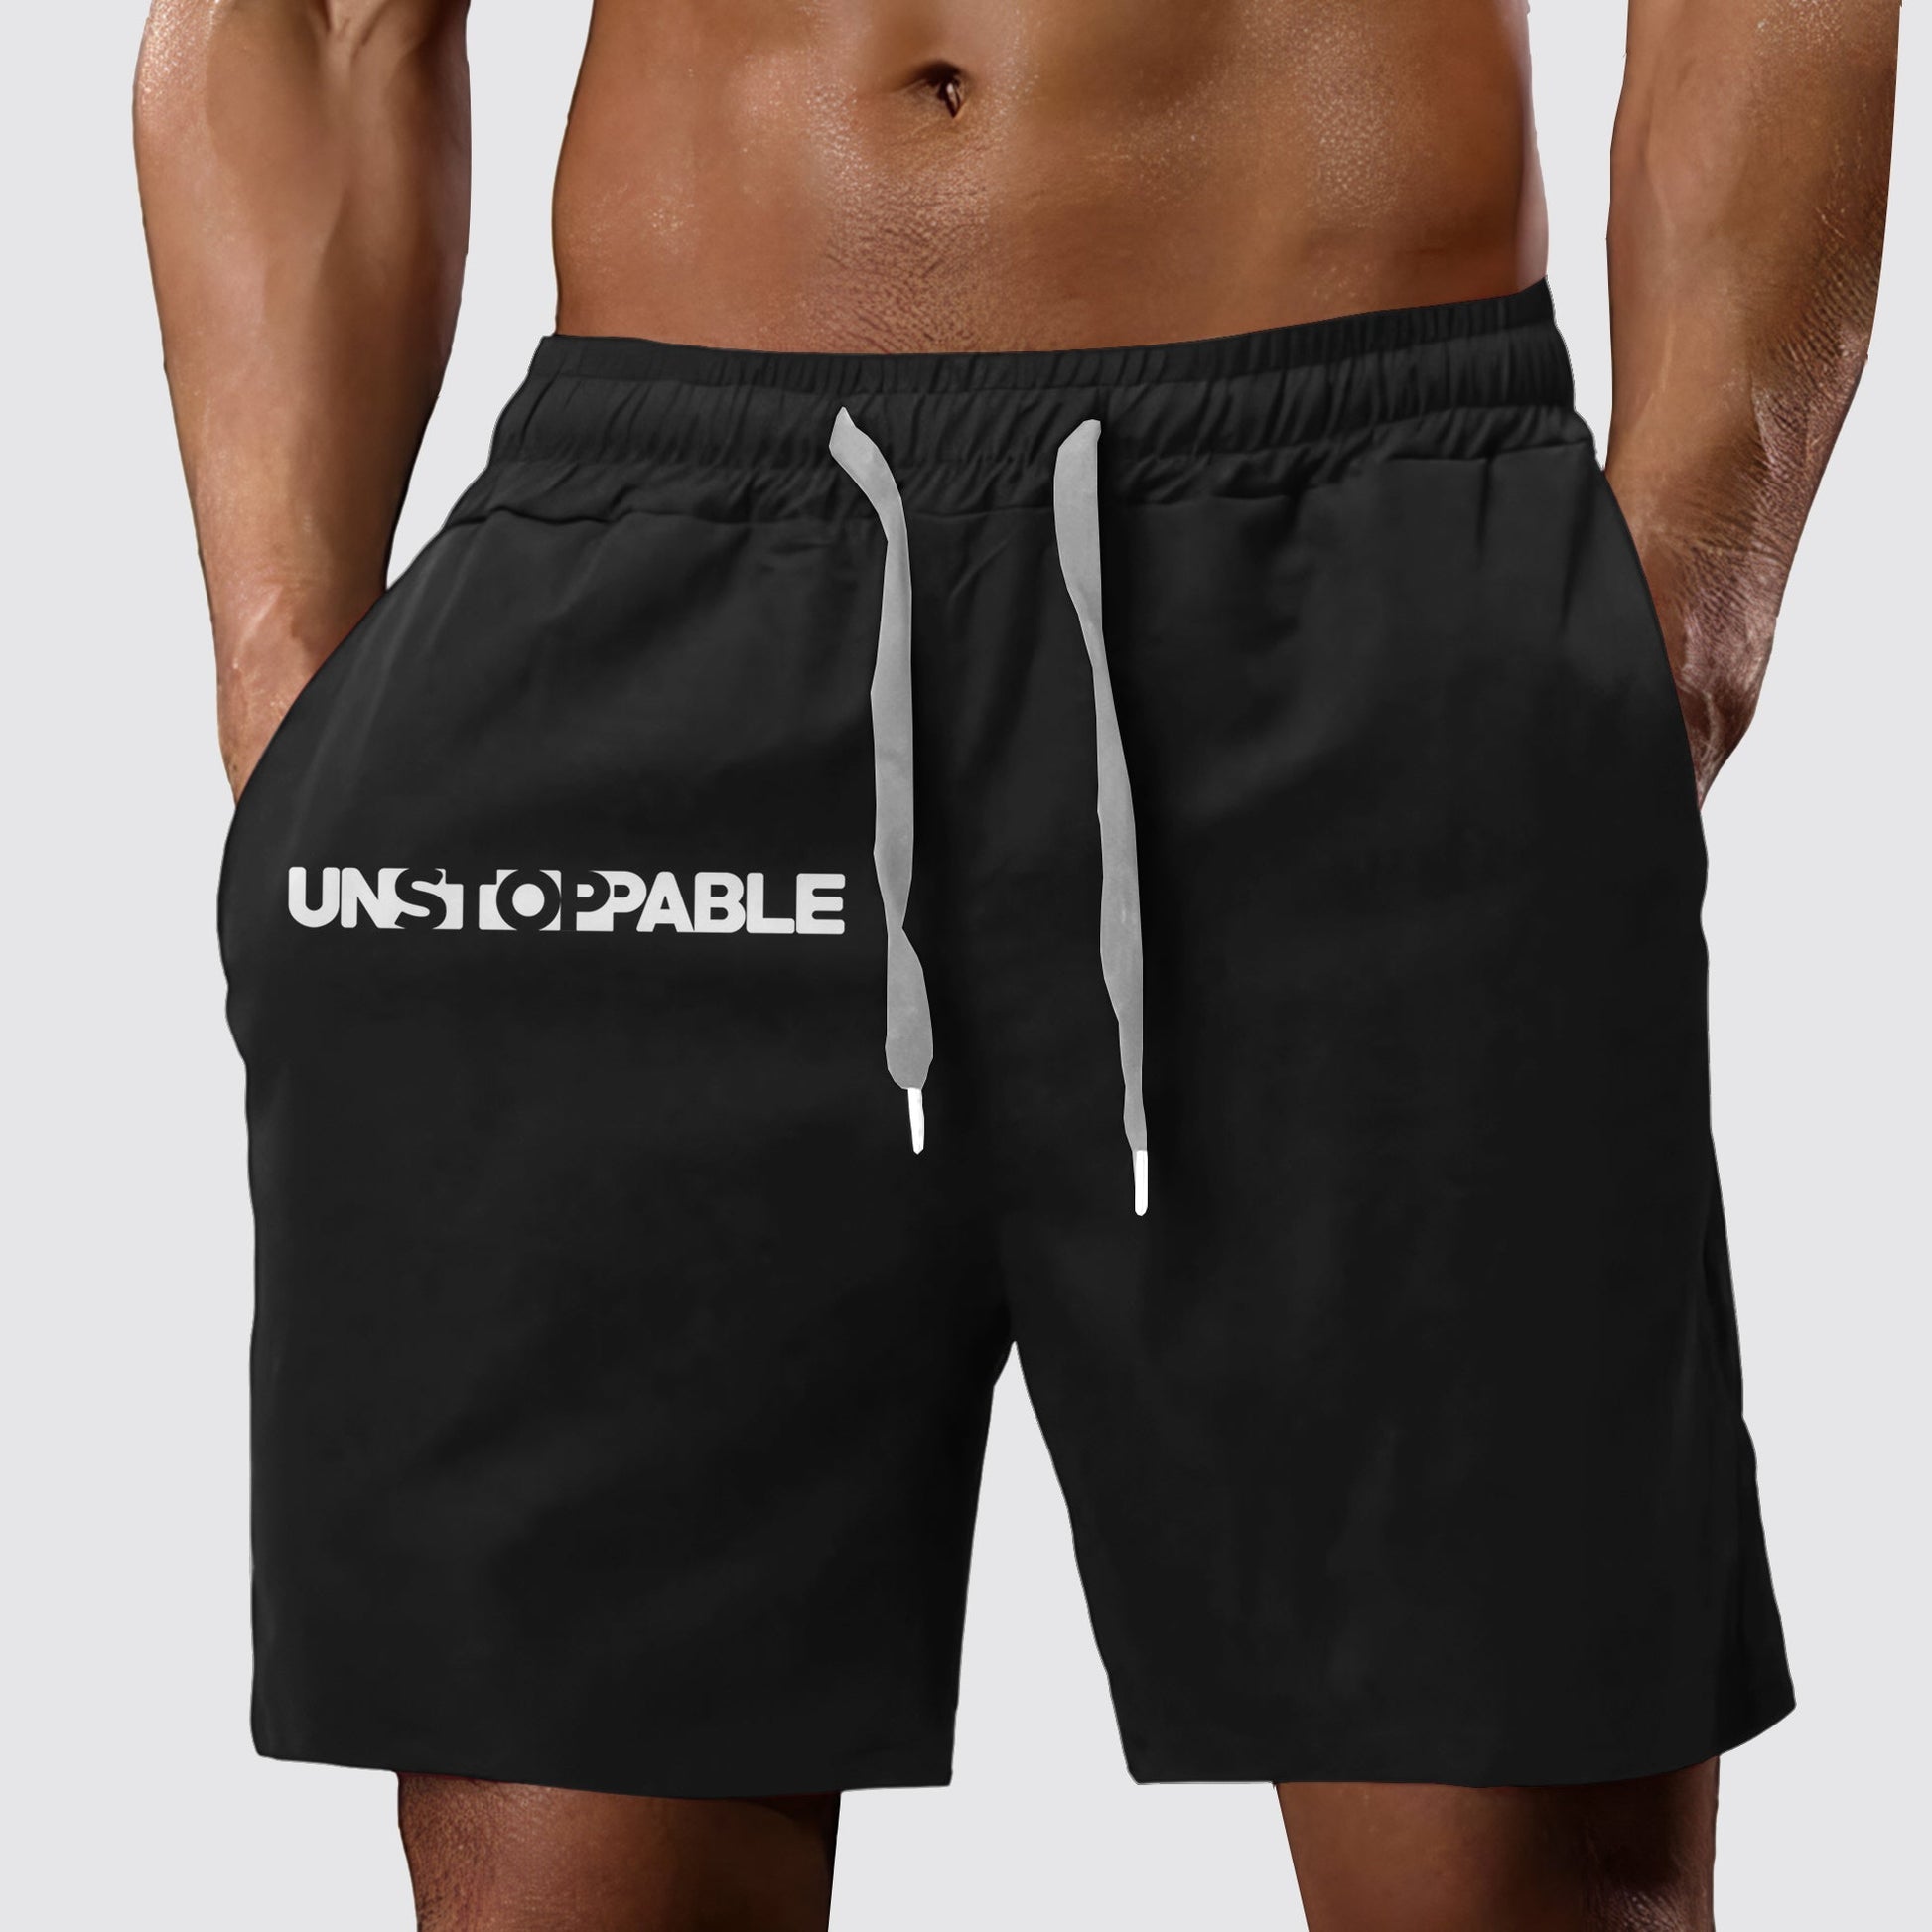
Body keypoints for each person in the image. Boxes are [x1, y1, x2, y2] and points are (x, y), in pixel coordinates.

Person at [134, 3, 1898, 1927]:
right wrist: (290, 707)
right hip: (626, 610)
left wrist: (1677, 623)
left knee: (1511, 1863)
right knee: (564, 1878)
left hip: (1356, 558)